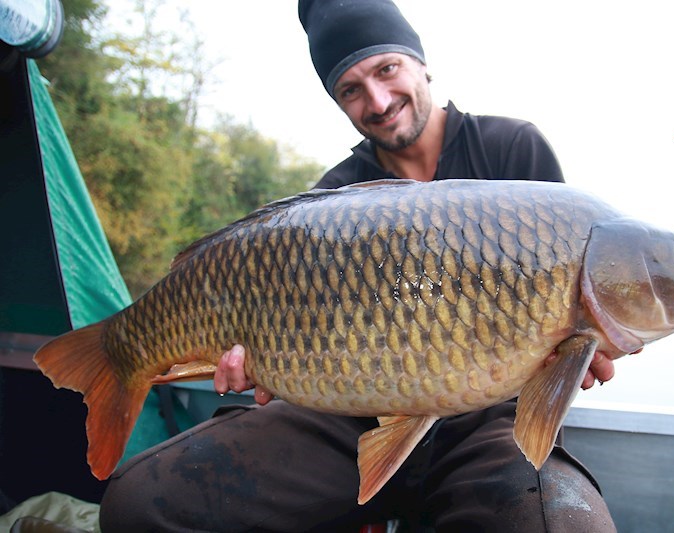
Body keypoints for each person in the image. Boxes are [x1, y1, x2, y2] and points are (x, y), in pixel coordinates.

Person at [100, 1, 617, 531]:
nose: (378, 100)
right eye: (350, 89)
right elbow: (288, 349)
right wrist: (257, 363)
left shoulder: (513, 150)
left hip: (488, 422)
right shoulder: (330, 202)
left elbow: (576, 305)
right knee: (139, 505)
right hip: (346, 413)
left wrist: (581, 349)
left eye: (386, 70)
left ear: (420, 63)